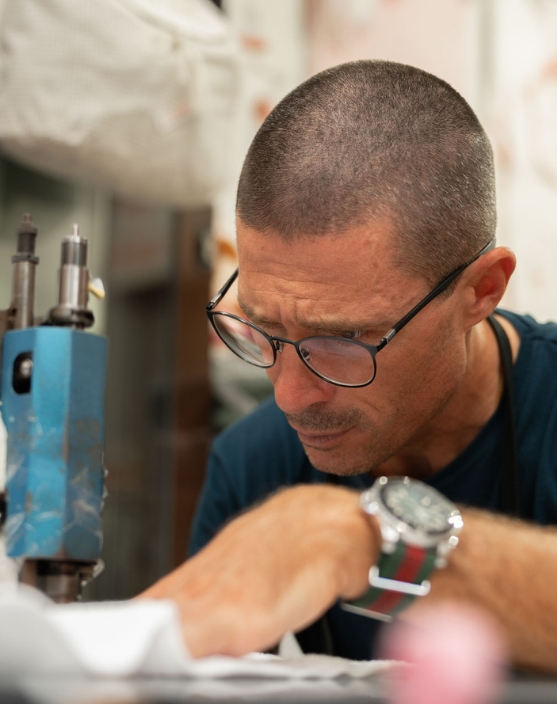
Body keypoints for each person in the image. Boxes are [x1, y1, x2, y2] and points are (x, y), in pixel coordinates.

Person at [141, 60, 557, 672]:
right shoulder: (253, 466)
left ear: (481, 291)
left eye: (342, 339)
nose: (289, 397)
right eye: (265, 327)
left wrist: (358, 542)